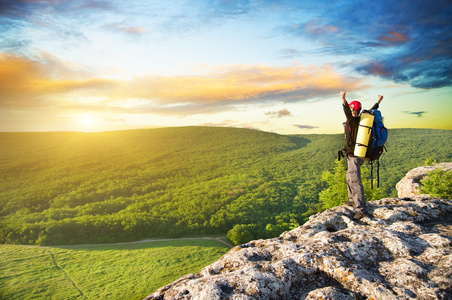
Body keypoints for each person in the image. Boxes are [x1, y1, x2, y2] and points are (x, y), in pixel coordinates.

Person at [341, 91, 383, 219]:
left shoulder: (352, 121)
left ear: (353, 110)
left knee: (354, 179)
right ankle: (352, 199)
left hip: (354, 155)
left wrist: (343, 98)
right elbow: (371, 110)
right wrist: (378, 102)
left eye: (352, 109)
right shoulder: (364, 119)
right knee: (349, 175)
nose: (351, 111)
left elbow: (346, 110)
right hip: (361, 153)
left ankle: (361, 209)